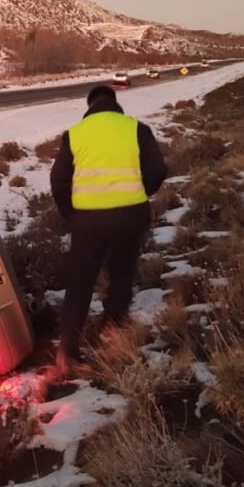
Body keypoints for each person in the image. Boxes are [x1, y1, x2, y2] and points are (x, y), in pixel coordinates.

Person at [50, 85, 167, 368]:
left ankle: (67, 351)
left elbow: (59, 181)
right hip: (129, 216)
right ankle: (114, 326)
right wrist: (138, 194)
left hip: (87, 221)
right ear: (115, 103)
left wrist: (71, 214)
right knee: (122, 272)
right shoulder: (137, 129)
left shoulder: (74, 134)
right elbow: (157, 171)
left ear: (89, 105)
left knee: (80, 281)